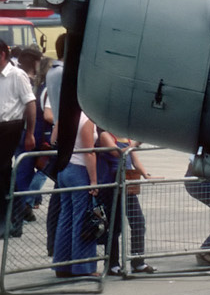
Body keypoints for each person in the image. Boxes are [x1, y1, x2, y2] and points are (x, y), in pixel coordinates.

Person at [51, 111, 99, 278]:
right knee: (82, 217)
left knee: (66, 216)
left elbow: (53, 140)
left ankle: (62, 264)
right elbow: (88, 151)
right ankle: (83, 266)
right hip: (79, 169)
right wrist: (94, 180)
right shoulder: (86, 119)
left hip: (64, 168)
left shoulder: (64, 115)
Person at [0, 40, 38, 238]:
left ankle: (10, 221)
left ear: (3, 55)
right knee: (5, 175)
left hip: (11, 126)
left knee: (3, 170)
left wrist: (30, 132)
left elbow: (30, 104)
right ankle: (13, 219)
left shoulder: (17, 75)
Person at [103, 132, 155, 276]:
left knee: (138, 222)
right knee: (115, 226)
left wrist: (146, 174)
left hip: (126, 185)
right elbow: (118, 153)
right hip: (112, 184)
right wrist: (135, 145)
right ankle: (112, 264)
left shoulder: (127, 138)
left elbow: (134, 160)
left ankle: (138, 262)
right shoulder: (106, 136)